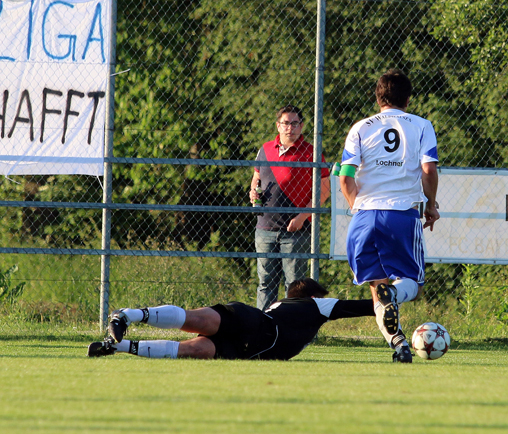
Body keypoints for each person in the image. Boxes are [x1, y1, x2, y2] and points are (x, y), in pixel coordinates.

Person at [337, 69, 440, 363]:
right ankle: (394, 297)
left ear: (378, 98)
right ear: (408, 99)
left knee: (377, 289)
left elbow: (345, 177)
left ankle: (400, 346)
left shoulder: (360, 128)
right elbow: (428, 170)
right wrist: (431, 205)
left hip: (363, 217)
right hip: (400, 215)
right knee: (413, 285)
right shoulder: (421, 126)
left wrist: (358, 207)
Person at [87, 278, 394, 361]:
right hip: (254, 323)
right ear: (313, 296)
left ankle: (116, 346)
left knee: (195, 349)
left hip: (249, 349)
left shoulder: (288, 304)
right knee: (196, 320)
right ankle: (127, 314)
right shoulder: (316, 305)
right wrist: (399, 293)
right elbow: (370, 305)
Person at [249, 105, 331, 311]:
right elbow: (256, 177)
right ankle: (264, 323)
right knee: (265, 283)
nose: (290, 128)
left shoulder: (312, 152)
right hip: (265, 228)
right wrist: (253, 192)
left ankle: (291, 323)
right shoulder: (265, 149)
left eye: (295, 123)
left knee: (294, 286)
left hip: (296, 230)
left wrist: (302, 217)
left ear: (302, 126)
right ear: (278, 125)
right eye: (286, 123)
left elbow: (324, 190)